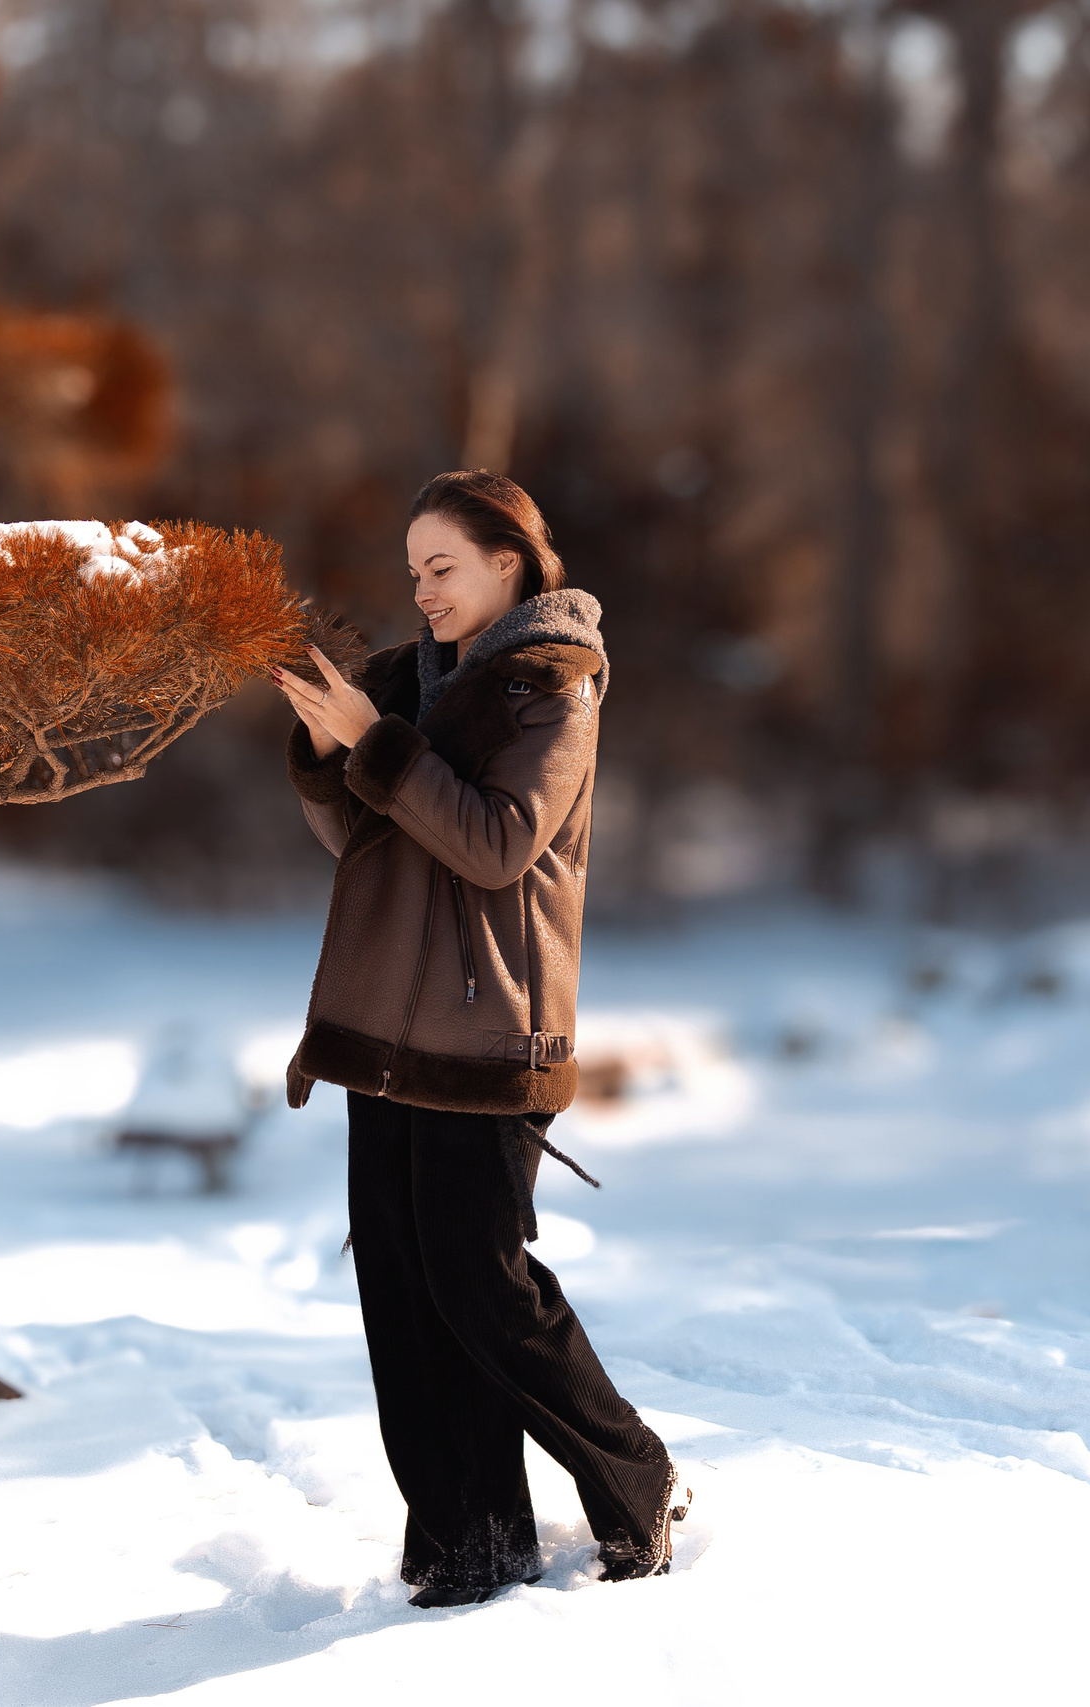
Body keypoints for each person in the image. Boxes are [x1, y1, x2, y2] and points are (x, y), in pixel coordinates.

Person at [272, 469, 684, 1610]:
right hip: (379, 1027)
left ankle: (630, 1471)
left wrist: (382, 745)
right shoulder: (408, 679)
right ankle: (466, 1543)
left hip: (488, 1030)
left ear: (509, 561)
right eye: (412, 572)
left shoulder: (552, 685)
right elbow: (365, 839)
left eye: (441, 567)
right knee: (401, 1297)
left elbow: (498, 845)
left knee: (482, 1284)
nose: (423, 590)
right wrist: (328, 752)